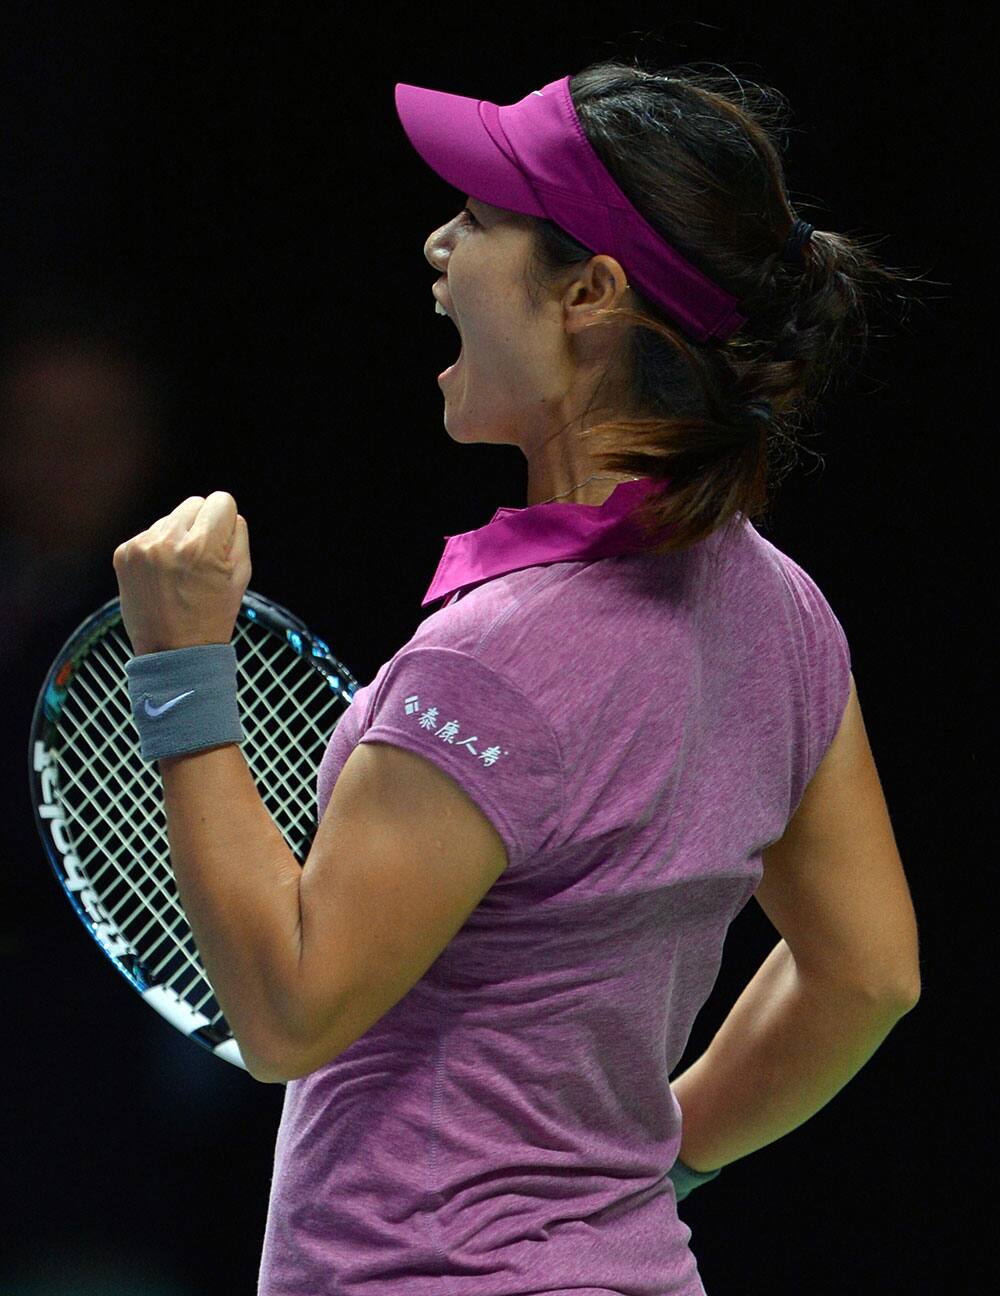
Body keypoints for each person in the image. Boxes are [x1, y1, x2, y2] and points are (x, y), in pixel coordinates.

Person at [112, 59, 922, 1296]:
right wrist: (645, 1173)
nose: (439, 244)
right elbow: (866, 974)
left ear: (590, 291)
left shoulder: (492, 661)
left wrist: (180, 665)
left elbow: (284, 1012)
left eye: (481, 219)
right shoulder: (788, 615)